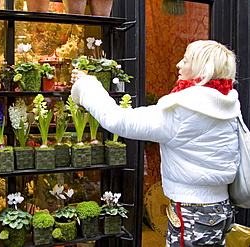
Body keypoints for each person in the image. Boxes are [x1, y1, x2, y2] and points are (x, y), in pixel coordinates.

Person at [70, 40, 240, 247]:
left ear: (201, 69)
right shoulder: (227, 104)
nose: (178, 64)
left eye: (185, 60)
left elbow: (119, 120)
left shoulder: (183, 110)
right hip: (220, 208)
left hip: (193, 212)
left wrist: (88, 85)